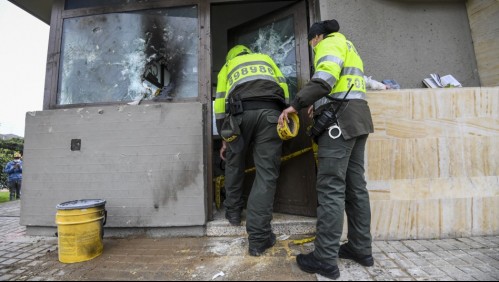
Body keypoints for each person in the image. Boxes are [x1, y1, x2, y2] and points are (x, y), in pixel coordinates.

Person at [278, 20, 374, 279]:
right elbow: (344, 85)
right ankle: (360, 248)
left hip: (339, 123)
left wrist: (295, 105)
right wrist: (317, 103)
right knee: (356, 187)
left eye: (311, 42)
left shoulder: (328, 44)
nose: (312, 47)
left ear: (317, 37)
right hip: (358, 119)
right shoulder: (348, 45)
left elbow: (325, 80)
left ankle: (324, 258)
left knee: (331, 188)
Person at [215, 45, 289, 256]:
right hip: (270, 115)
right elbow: (284, 87)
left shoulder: (228, 66)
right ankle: (259, 238)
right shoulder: (266, 59)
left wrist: (224, 136)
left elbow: (220, 103)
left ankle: (233, 213)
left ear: (231, 56)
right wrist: (287, 113)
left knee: (233, 162)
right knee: (266, 174)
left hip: (239, 117)